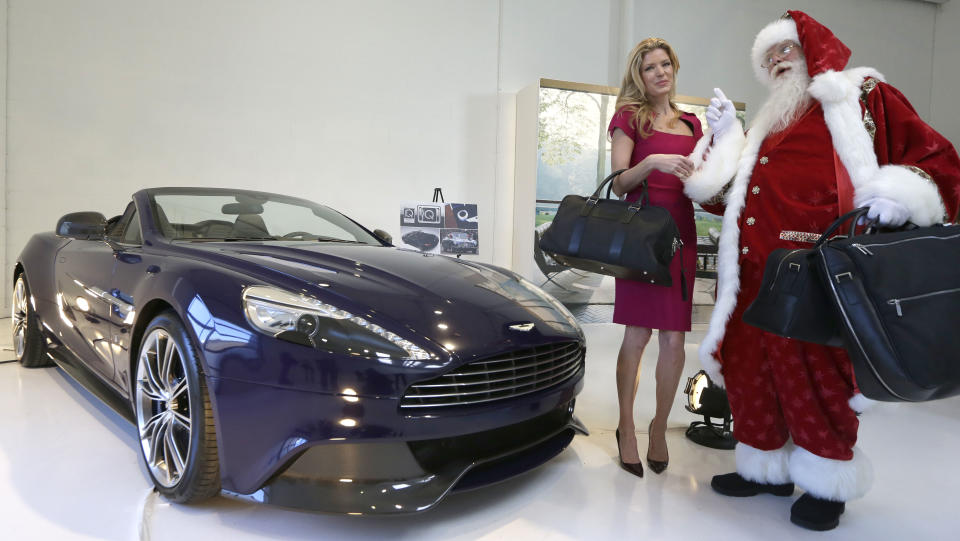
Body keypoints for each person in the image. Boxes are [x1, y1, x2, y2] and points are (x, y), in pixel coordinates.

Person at [683, 10, 960, 531]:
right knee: (752, 373)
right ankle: (764, 467)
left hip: (819, 272)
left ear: (812, 50)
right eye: (769, 58)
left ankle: (826, 481)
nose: (777, 62)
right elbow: (731, 200)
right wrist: (727, 139)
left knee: (816, 377)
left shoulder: (863, 94)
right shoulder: (770, 121)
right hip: (752, 277)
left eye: (785, 51)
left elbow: (936, 159)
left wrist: (901, 198)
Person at [607, 37, 700, 478]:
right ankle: (626, 428)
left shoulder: (694, 125)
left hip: (681, 236)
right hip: (642, 236)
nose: (660, 72)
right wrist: (654, 162)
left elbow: (705, 185)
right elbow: (618, 184)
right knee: (637, 336)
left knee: (675, 341)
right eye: (650, 68)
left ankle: (659, 427)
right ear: (638, 76)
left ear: (674, 67)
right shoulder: (629, 118)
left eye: (666, 64)